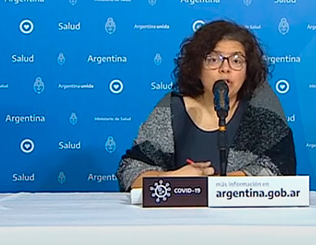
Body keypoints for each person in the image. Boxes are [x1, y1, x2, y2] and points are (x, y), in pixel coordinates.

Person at [116, 19, 296, 191]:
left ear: (247, 70)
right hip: (182, 212)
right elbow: (131, 171)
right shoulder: (173, 109)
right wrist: (174, 179)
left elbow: (281, 170)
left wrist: (211, 186)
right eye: (214, 59)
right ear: (197, 67)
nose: (225, 68)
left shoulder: (261, 107)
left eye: (236, 60)